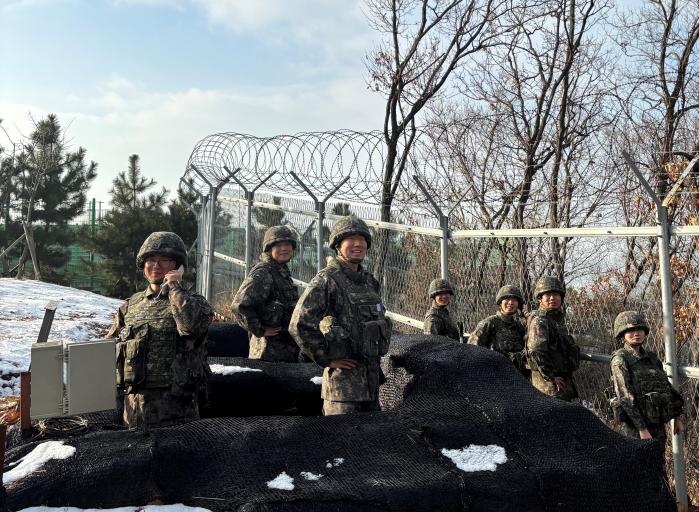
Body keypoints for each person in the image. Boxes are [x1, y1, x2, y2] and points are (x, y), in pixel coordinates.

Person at [108, 231, 213, 428]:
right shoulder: (130, 306)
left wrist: (174, 285)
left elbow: (190, 327)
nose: (156, 266)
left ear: (177, 265)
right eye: (150, 259)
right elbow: (108, 349)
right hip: (133, 412)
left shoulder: (195, 303)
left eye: (164, 260)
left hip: (177, 415)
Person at [289, 215, 391, 415]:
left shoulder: (369, 282)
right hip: (343, 392)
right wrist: (325, 358)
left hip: (371, 387)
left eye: (362, 240)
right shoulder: (327, 280)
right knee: (340, 444)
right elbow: (299, 324)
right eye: (351, 239)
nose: (358, 244)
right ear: (338, 245)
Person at [610, 311, 684, 441]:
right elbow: (625, 396)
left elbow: (666, 387)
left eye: (640, 329)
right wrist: (642, 429)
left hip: (657, 424)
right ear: (622, 334)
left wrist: (676, 416)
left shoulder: (652, 358)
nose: (636, 333)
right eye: (631, 330)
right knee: (638, 461)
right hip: (635, 429)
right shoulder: (620, 359)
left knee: (658, 460)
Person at [231, 225, 300, 362]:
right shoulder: (263, 272)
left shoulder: (281, 271)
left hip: (283, 351)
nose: (284, 249)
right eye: (279, 245)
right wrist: (259, 330)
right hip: (267, 354)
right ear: (269, 248)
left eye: (287, 244)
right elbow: (239, 306)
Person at [526, 276, 580, 401]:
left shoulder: (556, 320)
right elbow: (536, 350)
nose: (552, 298)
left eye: (556, 295)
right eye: (548, 295)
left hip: (560, 381)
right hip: (549, 385)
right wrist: (550, 377)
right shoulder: (541, 320)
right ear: (540, 299)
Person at [470, 284, 528, 376]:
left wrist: (527, 319)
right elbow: (472, 350)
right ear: (500, 302)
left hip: (517, 377)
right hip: (494, 376)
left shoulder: (519, 326)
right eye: (507, 299)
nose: (510, 303)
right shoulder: (488, 323)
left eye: (514, 300)